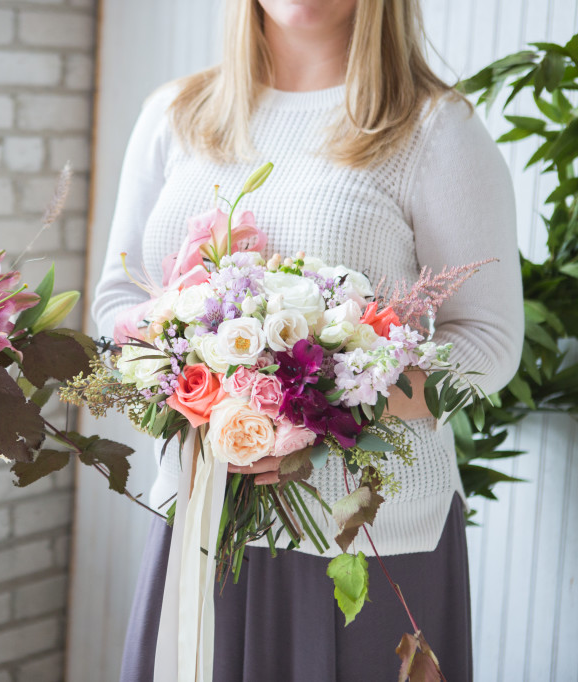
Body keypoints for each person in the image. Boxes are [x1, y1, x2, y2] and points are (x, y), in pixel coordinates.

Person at [92, 0, 523, 679]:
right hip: (199, 522)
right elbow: (117, 302)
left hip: (367, 543)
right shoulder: (175, 115)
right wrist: (206, 399)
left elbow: (490, 344)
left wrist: (312, 409)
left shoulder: (435, 130)